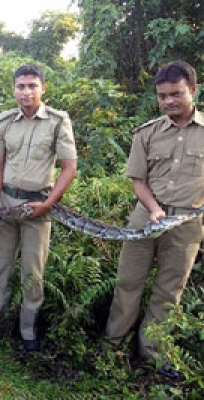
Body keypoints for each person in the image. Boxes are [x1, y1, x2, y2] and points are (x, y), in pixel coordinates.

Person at [104, 61, 204, 371]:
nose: (169, 101)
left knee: (169, 290)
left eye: (176, 94)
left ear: (194, 91)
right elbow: (138, 179)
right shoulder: (146, 133)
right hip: (146, 218)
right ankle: (113, 345)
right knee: (128, 282)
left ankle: (153, 351)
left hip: (187, 224)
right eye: (162, 96)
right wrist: (154, 209)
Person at [0, 64, 77, 352]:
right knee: (0, 268)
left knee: (33, 273)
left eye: (32, 85)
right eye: (21, 86)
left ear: (43, 88)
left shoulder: (58, 121)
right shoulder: (4, 121)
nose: (26, 91)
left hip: (39, 205)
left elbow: (69, 168)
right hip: (7, 204)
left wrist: (48, 204)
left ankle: (27, 330)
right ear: (14, 89)